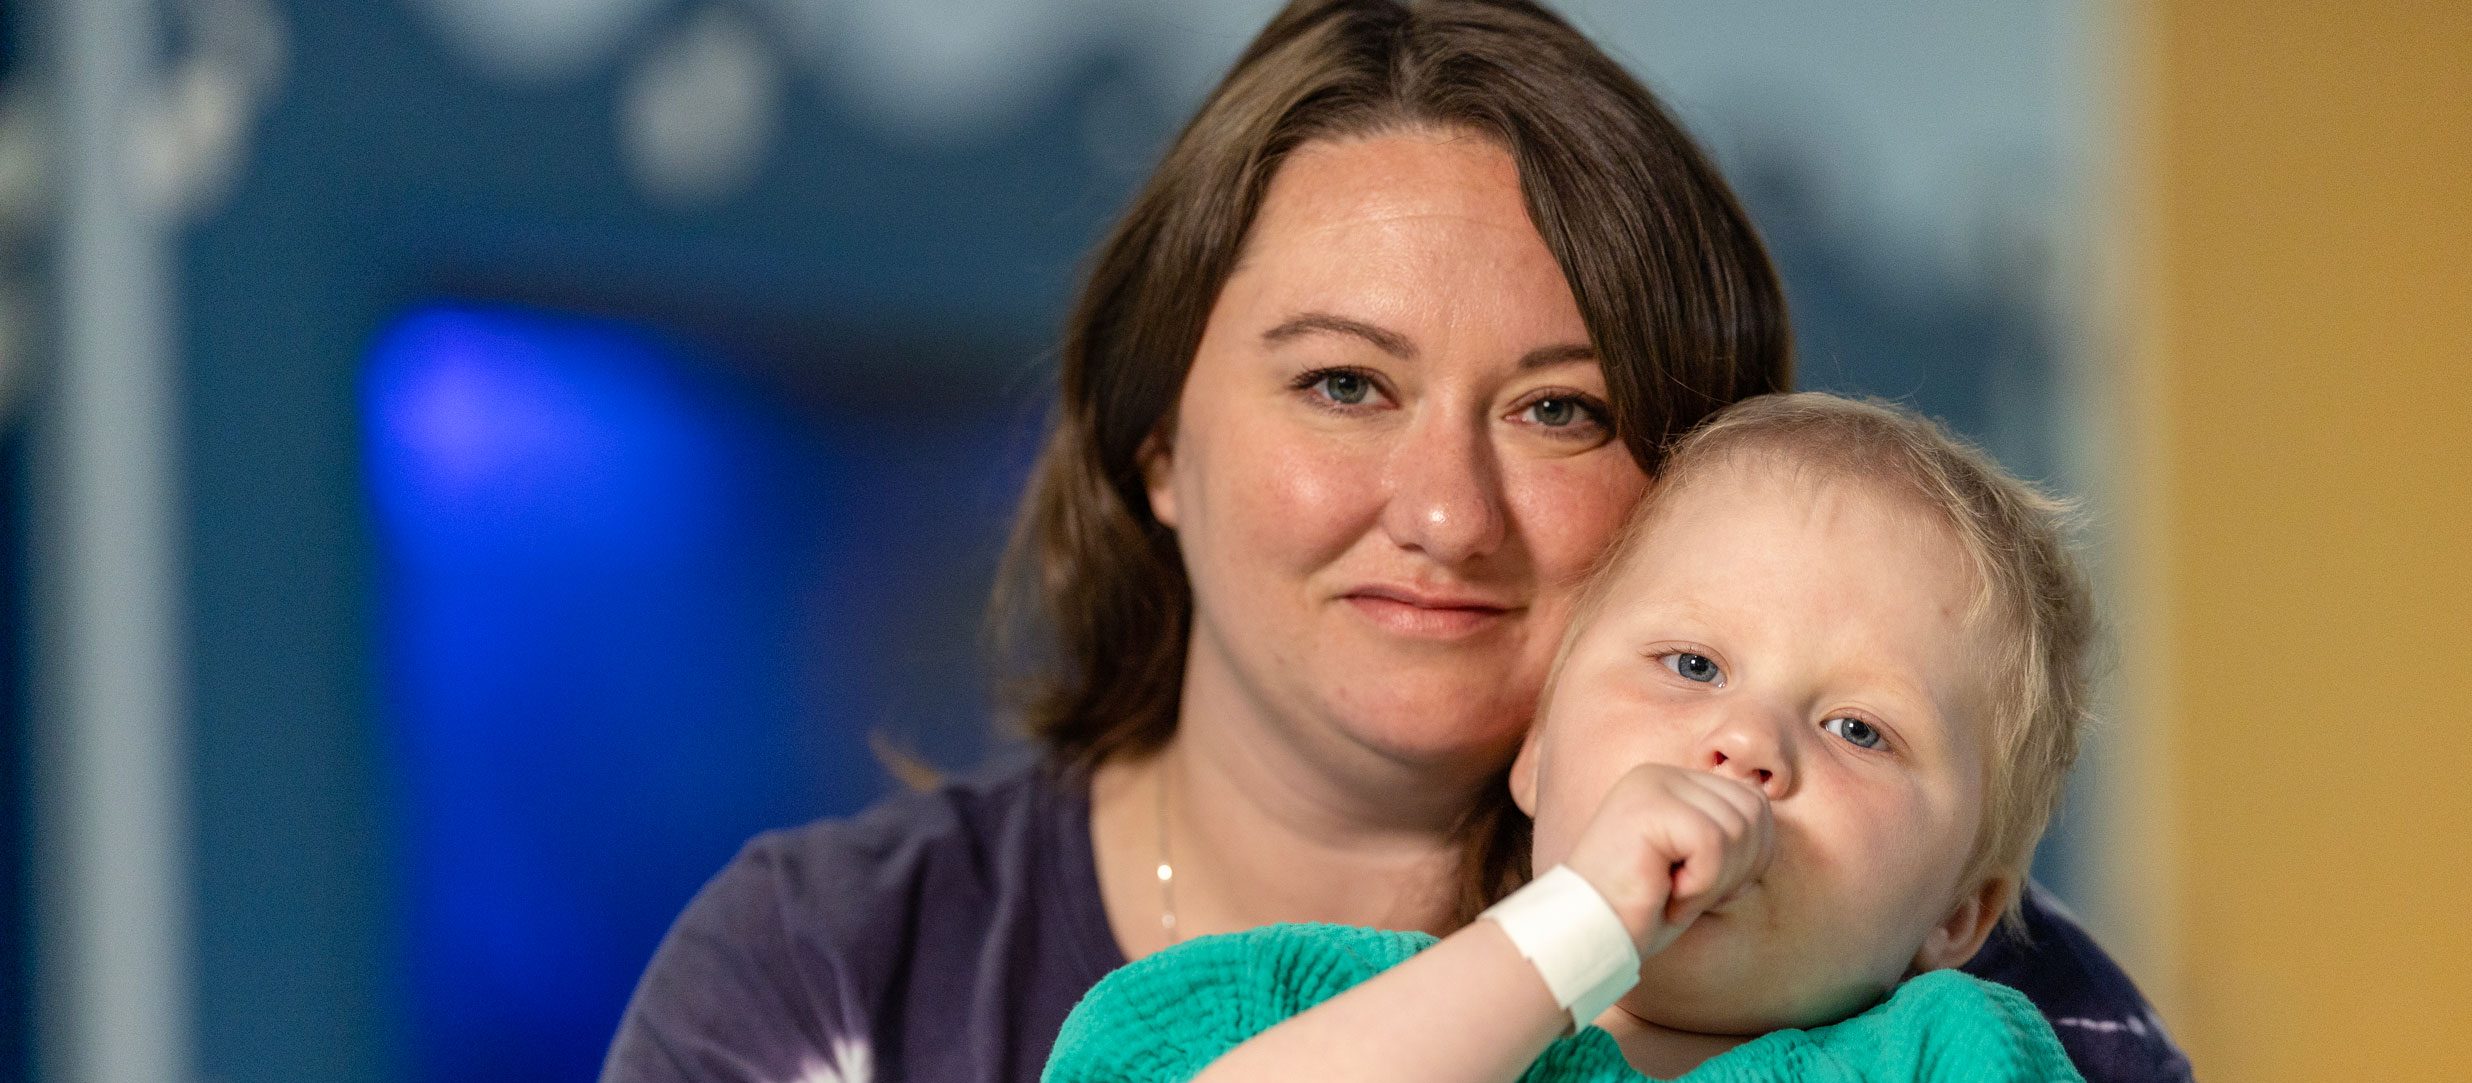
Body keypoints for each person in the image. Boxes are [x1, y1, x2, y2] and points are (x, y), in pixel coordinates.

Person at [601, 3, 2188, 1082]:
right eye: (1344, 384)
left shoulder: (1971, 1004)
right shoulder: (834, 969)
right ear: (1158, 440)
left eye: (1561, 409)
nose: (1444, 513)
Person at [1048, 392, 2089, 1083]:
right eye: (1691, 665)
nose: (1746, 741)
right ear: (1539, 750)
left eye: (1859, 728)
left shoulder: (1943, 1054)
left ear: (1957, 914)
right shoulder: (1304, 1003)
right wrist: (1569, 935)